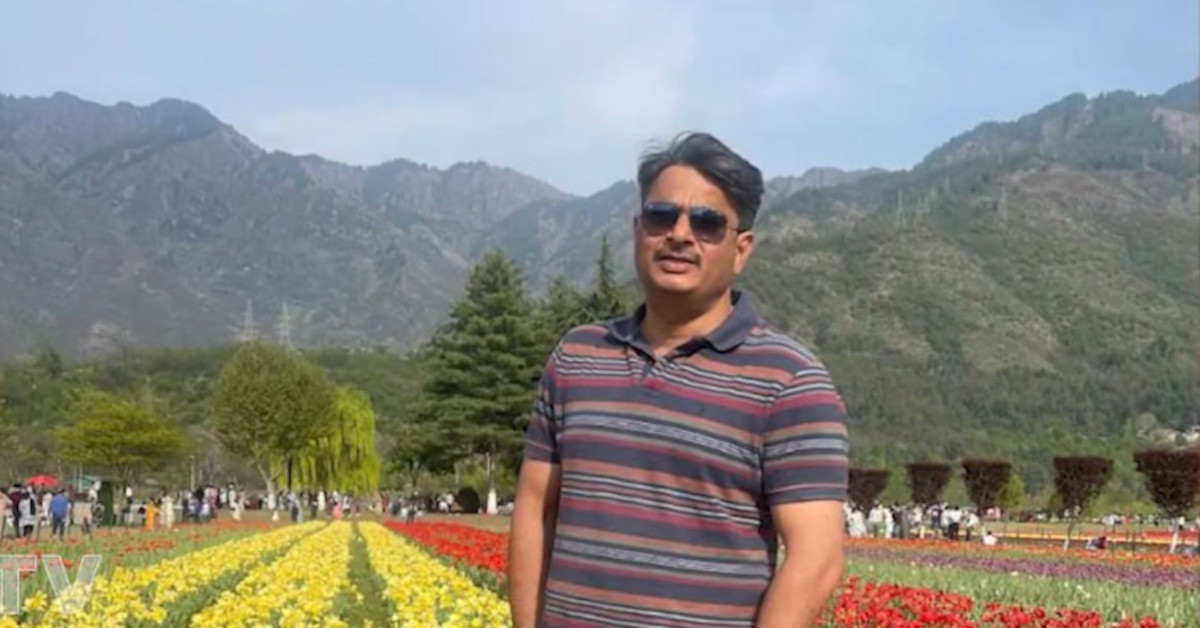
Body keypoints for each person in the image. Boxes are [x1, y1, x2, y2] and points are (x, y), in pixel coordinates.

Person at [508, 132, 851, 628]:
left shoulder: (790, 381)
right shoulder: (578, 356)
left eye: (707, 223)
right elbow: (535, 509)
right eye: (661, 216)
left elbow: (814, 560)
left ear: (741, 249)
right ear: (637, 229)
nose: (680, 234)